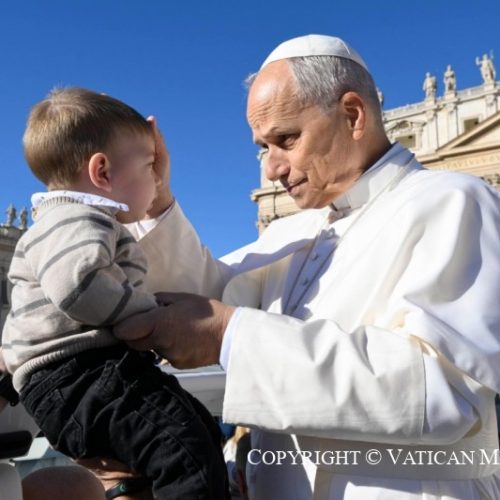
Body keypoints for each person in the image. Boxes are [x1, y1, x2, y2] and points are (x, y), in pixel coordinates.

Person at [113, 34, 500, 499]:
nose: (271, 168)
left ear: (353, 115)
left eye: (286, 140)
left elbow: (443, 389)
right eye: (264, 147)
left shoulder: (455, 201)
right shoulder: (292, 232)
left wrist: (230, 335)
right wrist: (155, 201)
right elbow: (199, 300)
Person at [1, 88, 227, 499]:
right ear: (102, 172)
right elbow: (78, 286)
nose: (157, 180)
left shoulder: (71, 222)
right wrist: (150, 316)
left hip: (82, 377)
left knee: (199, 430)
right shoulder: (77, 219)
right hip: (80, 376)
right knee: (184, 454)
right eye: (149, 167)